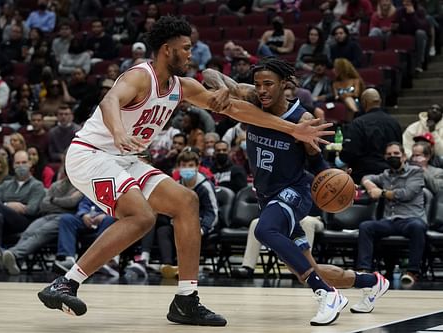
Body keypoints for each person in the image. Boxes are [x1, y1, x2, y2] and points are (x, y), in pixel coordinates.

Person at [37, 16, 331, 325]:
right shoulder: (140, 76)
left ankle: (186, 300)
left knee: (187, 202)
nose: (191, 54)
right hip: (91, 155)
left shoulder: (181, 86)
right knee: (141, 216)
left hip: (125, 159)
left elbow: (239, 109)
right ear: (167, 50)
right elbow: (111, 99)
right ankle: (66, 282)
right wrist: (119, 133)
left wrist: (292, 129)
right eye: (186, 48)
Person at [203, 57, 389, 325]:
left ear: (284, 85)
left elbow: (315, 161)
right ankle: (372, 281)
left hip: (294, 192)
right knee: (308, 269)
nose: (263, 89)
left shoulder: (302, 119)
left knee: (264, 230)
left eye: (269, 84)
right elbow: (209, 73)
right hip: (267, 197)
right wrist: (222, 86)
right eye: (258, 84)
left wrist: (333, 177)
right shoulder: (253, 99)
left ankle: (326, 294)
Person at [359, 142, 427, 285]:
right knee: (366, 226)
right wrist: (370, 185)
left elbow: (406, 194)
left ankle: (412, 272)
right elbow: (366, 177)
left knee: (418, 227)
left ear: (404, 156)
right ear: (385, 157)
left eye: (396, 154)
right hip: (389, 221)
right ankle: (364, 271)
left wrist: (382, 193)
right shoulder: (385, 175)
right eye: (389, 154)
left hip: (411, 219)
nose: (392, 157)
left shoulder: (416, 172)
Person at [339, 88, 403, 183]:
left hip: (362, 176)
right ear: (380, 101)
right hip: (390, 176)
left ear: (363, 103)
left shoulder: (358, 123)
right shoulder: (394, 123)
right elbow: (399, 150)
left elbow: (349, 153)